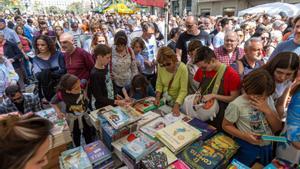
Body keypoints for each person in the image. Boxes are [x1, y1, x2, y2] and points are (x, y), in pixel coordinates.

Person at [222, 68, 281, 166]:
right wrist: (244, 136)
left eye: (265, 96)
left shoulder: (268, 99)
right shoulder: (236, 105)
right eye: (256, 95)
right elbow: (226, 125)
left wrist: (267, 111)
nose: (262, 98)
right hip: (246, 146)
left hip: (267, 147)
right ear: (246, 87)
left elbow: (278, 127)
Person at [193, 46, 241, 130]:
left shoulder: (231, 74)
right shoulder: (201, 70)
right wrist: (197, 94)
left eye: (204, 67)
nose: (201, 70)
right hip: (204, 111)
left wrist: (214, 96)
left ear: (213, 60)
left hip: (221, 116)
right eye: (200, 67)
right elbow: (200, 87)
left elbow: (234, 98)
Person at [51, 73, 94, 147]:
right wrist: (58, 112)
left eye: (79, 85)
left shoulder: (81, 84)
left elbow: (84, 81)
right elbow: (53, 103)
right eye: (76, 88)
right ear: (68, 91)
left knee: (88, 131)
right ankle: (77, 149)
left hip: (84, 114)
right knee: (75, 134)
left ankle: (90, 147)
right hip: (73, 118)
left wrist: (86, 93)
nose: (80, 88)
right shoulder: (62, 94)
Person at [263, 52, 299, 120]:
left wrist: (278, 121)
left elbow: (280, 104)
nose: (282, 77)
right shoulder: (262, 78)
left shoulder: (289, 81)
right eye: (279, 72)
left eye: (288, 74)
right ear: (273, 67)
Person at [89, 44, 126, 109]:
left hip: (111, 102)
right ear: (99, 57)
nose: (109, 60)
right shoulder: (94, 74)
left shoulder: (105, 66)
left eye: (110, 57)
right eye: (107, 57)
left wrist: (115, 94)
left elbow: (110, 83)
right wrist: (116, 102)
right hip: (102, 106)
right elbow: (98, 97)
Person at [155, 46, 188, 116]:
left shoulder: (182, 68)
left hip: (179, 103)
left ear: (173, 59)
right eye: (163, 65)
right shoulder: (160, 66)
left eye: (168, 64)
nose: (166, 67)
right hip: (165, 101)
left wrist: (176, 105)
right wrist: (157, 97)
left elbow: (183, 90)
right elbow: (159, 83)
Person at [32, 35, 66, 102]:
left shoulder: (58, 55)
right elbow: (38, 75)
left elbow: (63, 70)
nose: (40, 47)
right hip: (47, 90)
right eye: (38, 45)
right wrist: (53, 71)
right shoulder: (36, 59)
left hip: (62, 86)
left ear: (48, 45)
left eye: (43, 45)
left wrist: (46, 73)